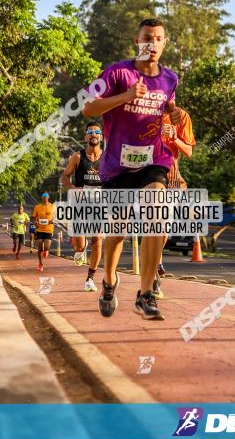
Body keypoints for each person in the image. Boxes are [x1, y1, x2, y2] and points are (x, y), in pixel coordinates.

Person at [82, 18, 182, 320]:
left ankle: (146, 292)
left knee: (157, 213)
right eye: (147, 38)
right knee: (117, 234)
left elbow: (167, 104)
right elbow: (88, 107)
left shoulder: (170, 78)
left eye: (159, 38)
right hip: (117, 167)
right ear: (136, 42)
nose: (153, 44)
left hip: (154, 160)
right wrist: (125, 97)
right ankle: (110, 282)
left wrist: (173, 113)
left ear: (165, 43)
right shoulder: (117, 72)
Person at [153, 107, 195, 297]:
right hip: (147, 174)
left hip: (172, 178)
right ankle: (154, 277)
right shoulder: (144, 112)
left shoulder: (181, 116)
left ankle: (156, 261)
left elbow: (188, 151)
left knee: (163, 229)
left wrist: (174, 138)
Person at [60, 121, 104, 292]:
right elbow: (64, 177)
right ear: (86, 136)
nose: (94, 134)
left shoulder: (107, 158)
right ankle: (79, 250)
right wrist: (73, 189)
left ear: (101, 136)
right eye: (90, 132)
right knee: (79, 245)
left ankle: (90, 279)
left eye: (97, 132)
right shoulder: (78, 157)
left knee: (97, 239)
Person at [31, 192, 56, 272]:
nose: (45, 197)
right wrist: (35, 222)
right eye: (43, 196)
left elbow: (56, 217)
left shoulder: (52, 206)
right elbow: (33, 217)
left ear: (48, 197)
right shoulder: (37, 207)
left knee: (46, 247)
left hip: (49, 229)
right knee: (39, 247)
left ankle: (46, 251)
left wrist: (53, 221)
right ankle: (40, 264)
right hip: (39, 229)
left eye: (46, 196)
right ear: (41, 198)